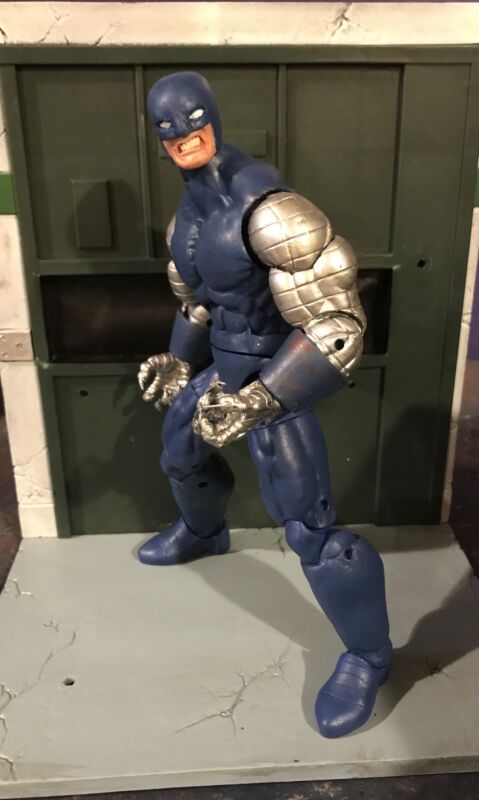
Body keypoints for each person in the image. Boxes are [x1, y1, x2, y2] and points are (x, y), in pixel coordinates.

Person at [137, 71, 392, 738]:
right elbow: (199, 305)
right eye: (167, 128)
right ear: (157, 140)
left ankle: (369, 655)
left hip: (276, 384)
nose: (182, 136)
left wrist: (261, 399)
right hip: (223, 373)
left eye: (192, 122)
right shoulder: (187, 221)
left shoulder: (272, 213)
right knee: (178, 457)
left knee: (310, 532)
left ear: (212, 118)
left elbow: (336, 327)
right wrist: (178, 361)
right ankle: (204, 532)